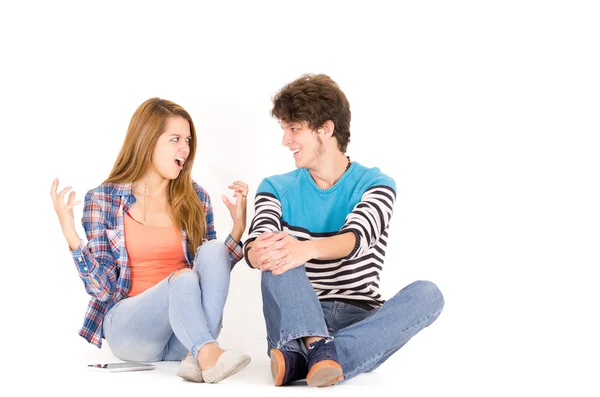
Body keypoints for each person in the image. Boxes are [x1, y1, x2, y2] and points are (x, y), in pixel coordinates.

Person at [244, 74, 445, 387]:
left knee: (429, 294)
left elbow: (357, 238)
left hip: (360, 318)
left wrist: (305, 248)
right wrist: (261, 251)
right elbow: (258, 243)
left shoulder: (377, 184)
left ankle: (307, 359)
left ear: (326, 129)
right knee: (277, 250)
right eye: (284, 129)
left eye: (294, 128)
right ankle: (316, 348)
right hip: (296, 316)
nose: (285, 140)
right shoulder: (274, 187)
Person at [50, 97, 251, 383]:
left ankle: (199, 354)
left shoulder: (196, 198)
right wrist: (72, 237)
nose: (185, 148)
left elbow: (212, 277)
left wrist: (238, 229)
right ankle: (208, 352)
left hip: (183, 334)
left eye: (188, 140)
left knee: (214, 250)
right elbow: (103, 289)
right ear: (147, 141)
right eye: (175, 139)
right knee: (182, 278)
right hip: (131, 330)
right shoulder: (103, 200)